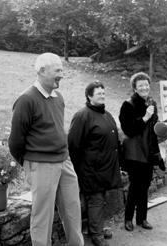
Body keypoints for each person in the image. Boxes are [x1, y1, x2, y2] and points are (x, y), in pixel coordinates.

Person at [8, 53, 84, 246]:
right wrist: (30, 164)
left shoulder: (58, 97)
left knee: (73, 210)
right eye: (58, 70)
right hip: (41, 164)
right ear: (42, 71)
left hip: (64, 161)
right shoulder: (26, 99)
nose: (62, 75)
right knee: (43, 218)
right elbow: (15, 141)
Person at [68, 82, 122, 246]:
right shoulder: (82, 116)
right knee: (96, 200)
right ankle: (96, 234)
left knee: (101, 199)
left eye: (103, 93)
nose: (102, 95)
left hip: (106, 167)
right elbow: (74, 145)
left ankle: (96, 228)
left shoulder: (106, 114)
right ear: (89, 96)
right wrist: (80, 170)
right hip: (91, 169)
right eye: (99, 93)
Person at [119, 72, 162, 231]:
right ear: (135, 88)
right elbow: (128, 130)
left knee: (145, 186)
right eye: (141, 85)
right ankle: (128, 219)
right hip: (135, 153)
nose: (144, 88)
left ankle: (142, 218)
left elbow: (155, 127)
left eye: (146, 85)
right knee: (135, 186)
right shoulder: (128, 105)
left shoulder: (152, 103)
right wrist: (145, 117)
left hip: (148, 151)